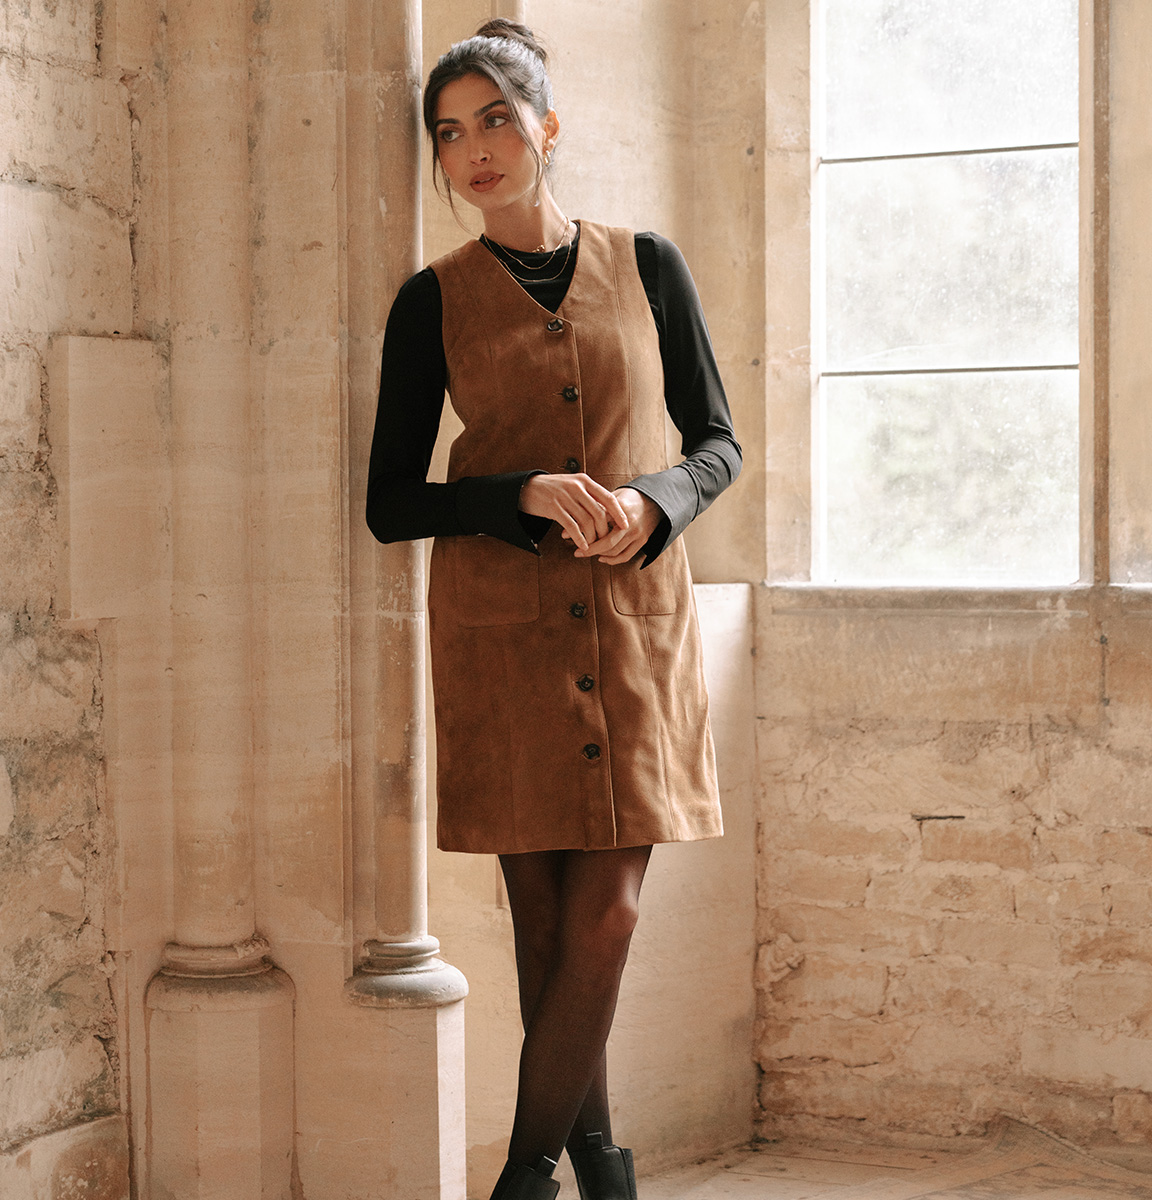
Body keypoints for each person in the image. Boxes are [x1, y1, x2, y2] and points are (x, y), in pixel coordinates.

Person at [366, 19, 741, 1200]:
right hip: (500, 634)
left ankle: (523, 1178)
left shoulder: (650, 265)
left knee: (608, 910)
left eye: (493, 120)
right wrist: (516, 490)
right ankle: (601, 1167)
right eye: (448, 133)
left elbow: (719, 443)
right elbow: (390, 504)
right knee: (542, 921)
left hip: (635, 622)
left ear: (546, 128)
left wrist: (659, 499)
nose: (474, 150)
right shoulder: (430, 303)